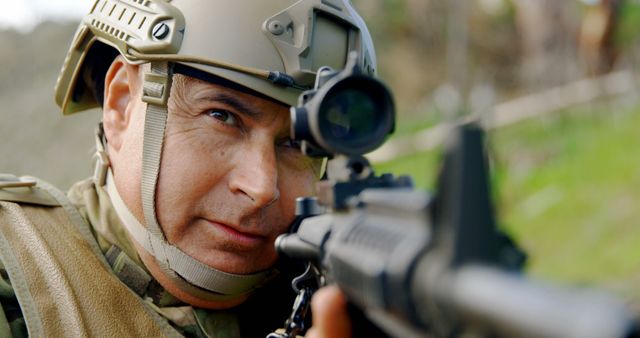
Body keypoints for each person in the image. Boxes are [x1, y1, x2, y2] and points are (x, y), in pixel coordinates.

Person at [0, 0, 376, 337]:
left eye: (296, 143)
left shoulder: (347, 289)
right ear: (123, 105)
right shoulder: (14, 280)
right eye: (222, 116)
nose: (261, 186)